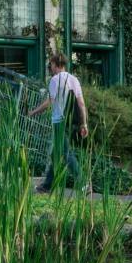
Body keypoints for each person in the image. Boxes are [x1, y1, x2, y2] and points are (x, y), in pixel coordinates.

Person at [27, 52, 90, 194]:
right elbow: (81, 103)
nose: (51, 68)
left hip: (59, 121)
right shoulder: (74, 79)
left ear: (55, 65)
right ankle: (47, 185)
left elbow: (49, 102)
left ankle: (83, 182)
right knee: (57, 154)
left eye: (51, 65)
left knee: (65, 153)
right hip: (72, 121)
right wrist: (83, 124)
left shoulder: (55, 80)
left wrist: (33, 112)